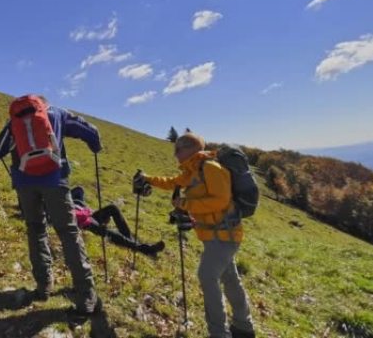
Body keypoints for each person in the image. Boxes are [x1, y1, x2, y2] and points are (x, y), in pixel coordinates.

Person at [0, 95, 101, 319]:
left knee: (35, 229)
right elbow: (90, 130)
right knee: (68, 233)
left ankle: (43, 286)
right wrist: (95, 145)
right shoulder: (57, 113)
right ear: (43, 103)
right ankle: (86, 295)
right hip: (55, 181)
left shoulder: (16, 120)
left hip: (25, 184)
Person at [133, 133, 255, 338]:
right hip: (215, 234)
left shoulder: (210, 168)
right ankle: (244, 327)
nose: (175, 154)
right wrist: (147, 179)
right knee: (230, 279)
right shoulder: (194, 170)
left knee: (207, 276)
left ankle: (219, 333)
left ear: (192, 149)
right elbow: (171, 182)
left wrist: (186, 205)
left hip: (224, 235)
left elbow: (221, 201)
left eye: (178, 149)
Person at [70, 186, 165, 258]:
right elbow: (76, 214)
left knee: (112, 208)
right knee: (108, 232)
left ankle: (132, 242)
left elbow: (81, 199)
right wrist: (86, 212)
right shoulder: (62, 204)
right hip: (83, 220)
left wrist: (90, 211)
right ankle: (144, 249)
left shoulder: (74, 195)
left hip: (89, 215)